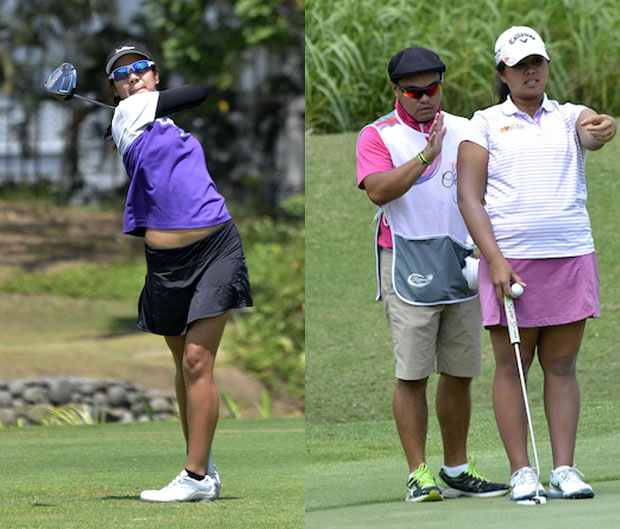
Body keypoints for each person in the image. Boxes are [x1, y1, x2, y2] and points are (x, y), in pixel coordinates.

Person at [457, 26, 617, 502]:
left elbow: (594, 130)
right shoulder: (482, 123)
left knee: (563, 365)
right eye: (519, 63)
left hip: (570, 254)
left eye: (537, 62)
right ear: (502, 72)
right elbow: (469, 197)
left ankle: (564, 469)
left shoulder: (569, 116)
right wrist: (495, 261)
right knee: (513, 366)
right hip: (510, 261)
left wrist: (602, 127)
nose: (530, 70)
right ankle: (521, 471)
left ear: (547, 66)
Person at [356, 46, 509, 503]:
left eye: (433, 88)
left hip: (462, 261)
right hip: (406, 261)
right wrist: (426, 156)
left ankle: (457, 468)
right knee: (413, 374)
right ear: (395, 91)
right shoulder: (377, 134)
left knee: (460, 372)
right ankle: (417, 473)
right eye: (414, 91)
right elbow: (378, 192)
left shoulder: (467, 129)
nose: (425, 98)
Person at [105, 41, 253, 502]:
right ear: (113, 90)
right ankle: (204, 467)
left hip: (217, 248)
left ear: (156, 75)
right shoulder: (126, 117)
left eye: (142, 68)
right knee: (182, 365)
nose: (133, 77)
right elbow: (198, 91)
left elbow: (202, 89)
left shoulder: (161, 119)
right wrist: (141, 95)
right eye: (122, 74)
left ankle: (193, 477)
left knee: (195, 361)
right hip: (167, 266)